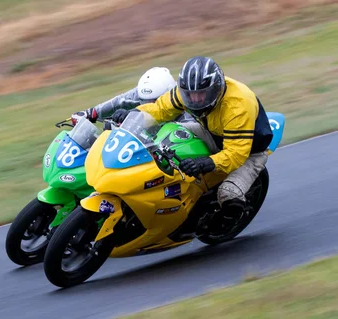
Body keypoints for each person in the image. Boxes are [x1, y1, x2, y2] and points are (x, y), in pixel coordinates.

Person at [111, 56, 273, 234]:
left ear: (216, 89)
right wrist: (133, 115)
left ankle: (229, 221)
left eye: (201, 94)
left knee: (228, 194)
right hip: (212, 131)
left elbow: (236, 153)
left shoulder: (237, 106)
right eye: (190, 95)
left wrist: (204, 163)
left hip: (248, 151)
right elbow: (160, 109)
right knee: (166, 135)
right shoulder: (187, 91)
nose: (195, 99)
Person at [70, 67, 191, 126]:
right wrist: (91, 113)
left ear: (169, 94)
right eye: (144, 101)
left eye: (153, 101)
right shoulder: (145, 91)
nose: (147, 104)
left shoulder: (187, 109)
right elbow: (119, 101)